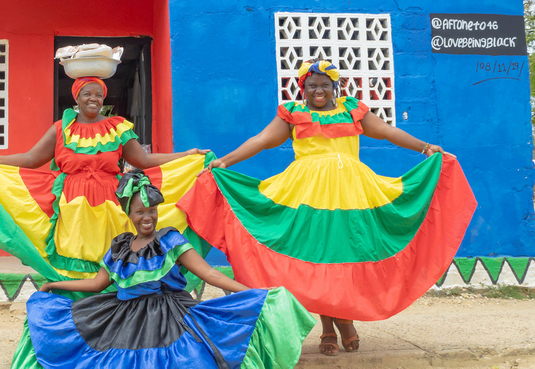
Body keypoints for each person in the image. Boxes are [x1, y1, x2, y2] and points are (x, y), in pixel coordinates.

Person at [178, 60, 477, 356]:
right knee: (319, 256)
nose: (317, 91)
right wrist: (225, 162)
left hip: (352, 196)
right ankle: (328, 327)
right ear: (302, 88)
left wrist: (424, 147)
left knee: (345, 256)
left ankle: (345, 320)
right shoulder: (293, 114)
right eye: (311, 86)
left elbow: (386, 131)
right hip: (308, 196)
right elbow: (261, 140)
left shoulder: (351, 109)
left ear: (336, 86)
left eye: (324, 85)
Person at [12, 171, 316, 368]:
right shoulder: (119, 246)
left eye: (153, 211)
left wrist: (253, 293)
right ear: (128, 214)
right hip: (123, 316)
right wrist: (53, 287)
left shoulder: (170, 239)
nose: (148, 217)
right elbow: (96, 284)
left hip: (169, 314)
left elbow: (210, 274)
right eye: (141, 212)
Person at [0, 76, 210, 281]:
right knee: (76, 253)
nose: (93, 98)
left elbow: (143, 162)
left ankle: (117, 306)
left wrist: (186, 155)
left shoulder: (118, 127)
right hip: (73, 205)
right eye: (87, 94)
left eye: (98, 95)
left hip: (111, 202)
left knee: (111, 252)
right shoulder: (60, 129)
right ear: (77, 99)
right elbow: (30, 159)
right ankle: (80, 303)